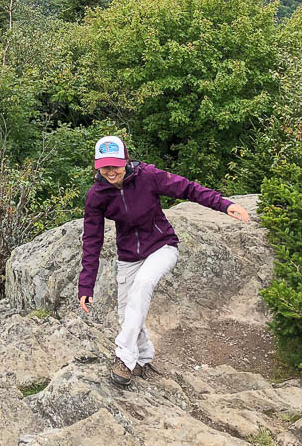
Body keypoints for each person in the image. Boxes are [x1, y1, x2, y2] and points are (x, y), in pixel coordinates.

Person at [78, 135, 250, 388]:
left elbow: (188, 189)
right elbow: (92, 240)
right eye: (105, 166)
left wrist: (225, 205)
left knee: (143, 284)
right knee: (127, 315)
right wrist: (86, 286)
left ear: (125, 160)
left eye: (115, 164)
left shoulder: (148, 176)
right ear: (97, 166)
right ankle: (143, 356)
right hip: (128, 256)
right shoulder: (96, 196)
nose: (110, 171)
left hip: (162, 246)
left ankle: (124, 358)